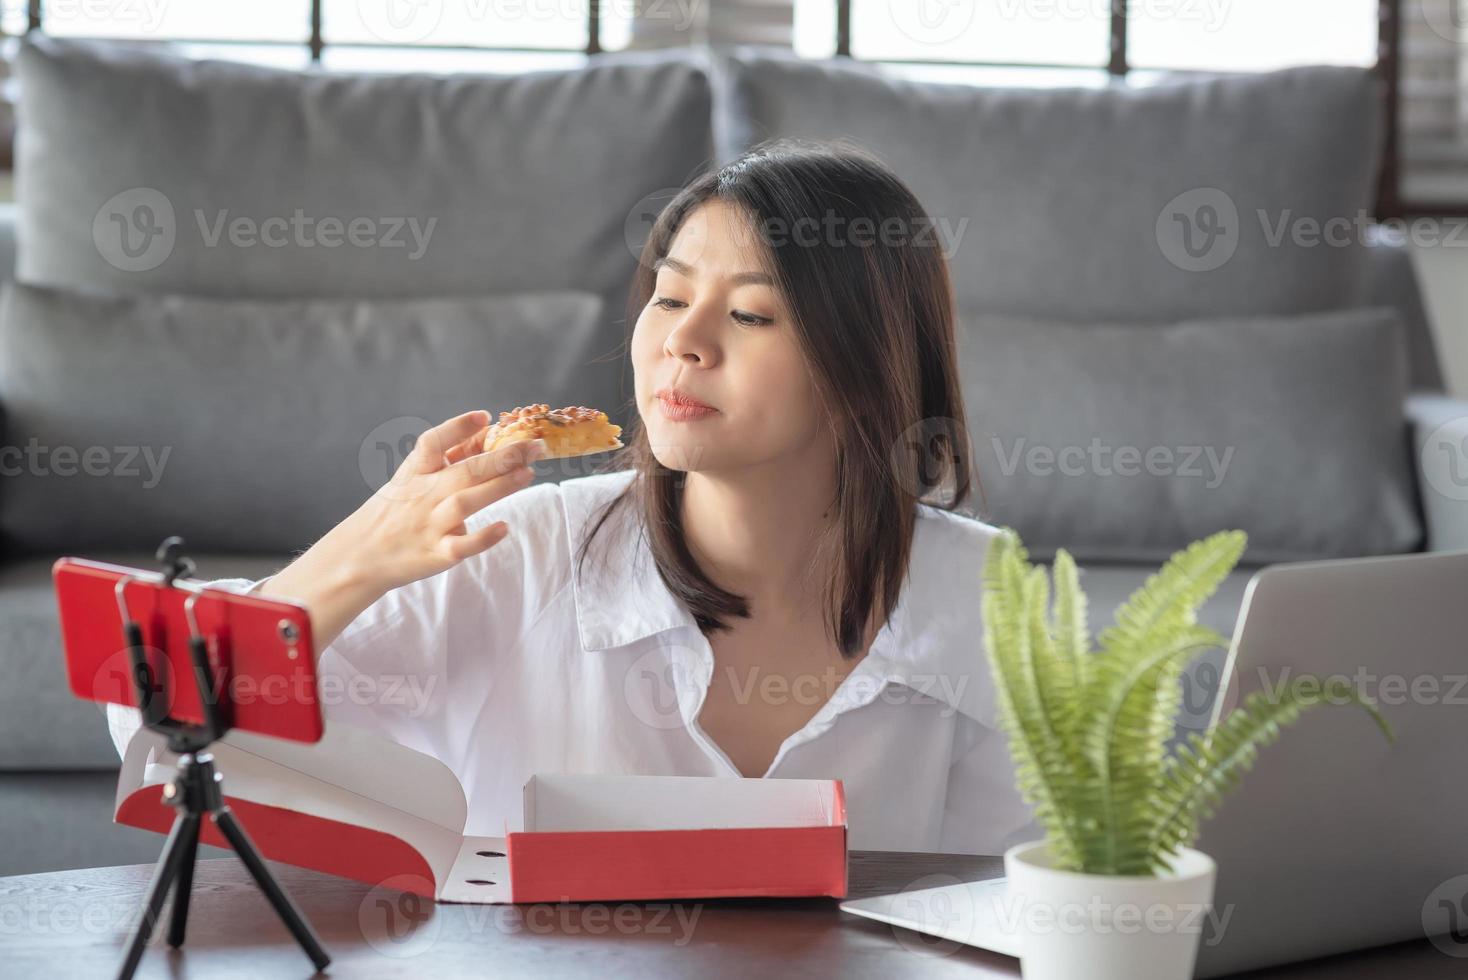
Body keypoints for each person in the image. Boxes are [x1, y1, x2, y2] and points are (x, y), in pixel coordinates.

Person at [108, 139, 1038, 855]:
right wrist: (360, 552)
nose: (686, 343)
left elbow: (1006, 900)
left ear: (870, 365)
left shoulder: (978, 587)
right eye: (670, 299)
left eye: (751, 314)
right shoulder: (515, 549)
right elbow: (164, 721)